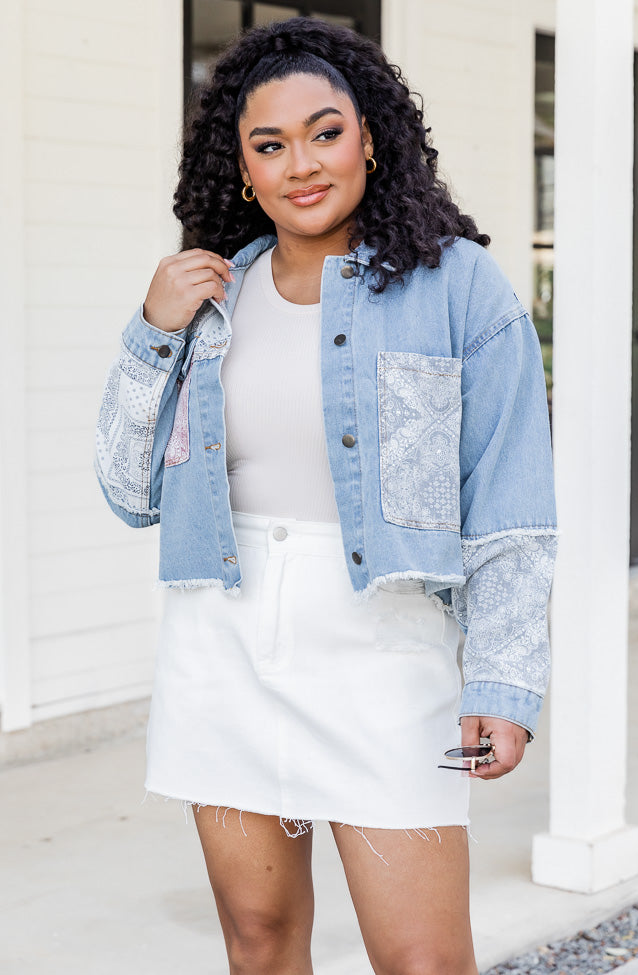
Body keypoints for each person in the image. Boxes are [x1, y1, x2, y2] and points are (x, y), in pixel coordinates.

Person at [95, 15, 557, 975]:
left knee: (423, 960)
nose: (301, 163)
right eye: (270, 144)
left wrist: (503, 683)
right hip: (222, 646)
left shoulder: (458, 286)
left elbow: (510, 501)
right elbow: (128, 490)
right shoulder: (215, 295)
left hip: (385, 654)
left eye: (324, 131)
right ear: (245, 168)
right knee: (259, 941)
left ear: (371, 137)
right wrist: (150, 330)